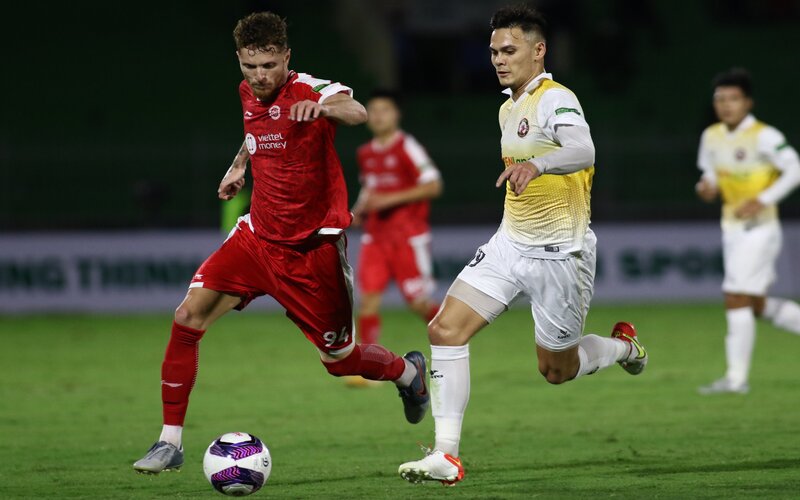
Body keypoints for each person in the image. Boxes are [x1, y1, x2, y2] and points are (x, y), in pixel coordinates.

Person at [133, 12, 429, 474]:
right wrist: (239, 165)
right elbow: (256, 130)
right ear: (239, 60)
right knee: (187, 316)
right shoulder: (247, 92)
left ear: (287, 57)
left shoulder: (308, 88)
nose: (260, 76)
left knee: (339, 359)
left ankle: (408, 374)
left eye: (269, 65)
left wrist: (323, 108)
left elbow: (357, 111)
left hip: (312, 252)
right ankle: (169, 443)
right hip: (256, 240)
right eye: (250, 66)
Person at [397, 5, 648, 485]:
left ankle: (623, 347)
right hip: (509, 244)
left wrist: (538, 164)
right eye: (493, 51)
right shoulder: (507, 107)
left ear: (539, 51)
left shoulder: (556, 98)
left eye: (509, 50)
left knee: (556, 370)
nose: (498, 59)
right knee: (445, 330)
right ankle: (446, 455)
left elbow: (584, 149)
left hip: (560, 254)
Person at [695, 68, 800, 395]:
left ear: (747, 102)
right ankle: (735, 378)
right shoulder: (711, 136)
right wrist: (705, 187)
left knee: (735, 295)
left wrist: (762, 199)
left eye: (733, 99)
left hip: (760, 228)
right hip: (732, 229)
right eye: (720, 99)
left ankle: (736, 379)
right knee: (755, 304)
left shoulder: (764, 136)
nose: (726, 105)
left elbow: (795, 169)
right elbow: (709, 177)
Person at [347, 90, 443, 387]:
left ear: (396, 115)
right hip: (375, 237)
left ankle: (453, 339)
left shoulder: (407, 147)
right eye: (373, 111)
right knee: (368, 302)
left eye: (384, 110)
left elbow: (433, 186)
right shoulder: (365, 153)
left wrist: (389, 200)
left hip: (407, 237)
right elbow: (369, 189)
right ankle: (369, 370)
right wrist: (357, 212)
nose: (378, 116)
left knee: (418, 303)